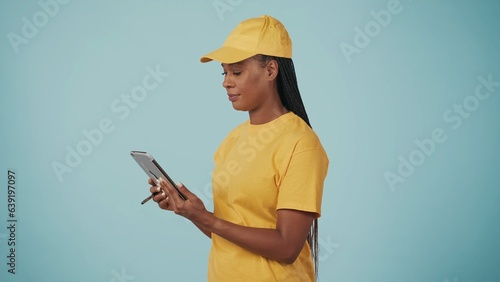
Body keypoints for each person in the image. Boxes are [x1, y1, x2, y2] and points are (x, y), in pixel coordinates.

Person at [148, 15, 329, 281]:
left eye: (237, 72)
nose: (226, 82)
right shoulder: (232, 140)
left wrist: (207, 218)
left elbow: (287, 247)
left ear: (270, 70)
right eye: (224, 72)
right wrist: (192, 213)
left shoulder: (301, 144)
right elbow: (230, 234)